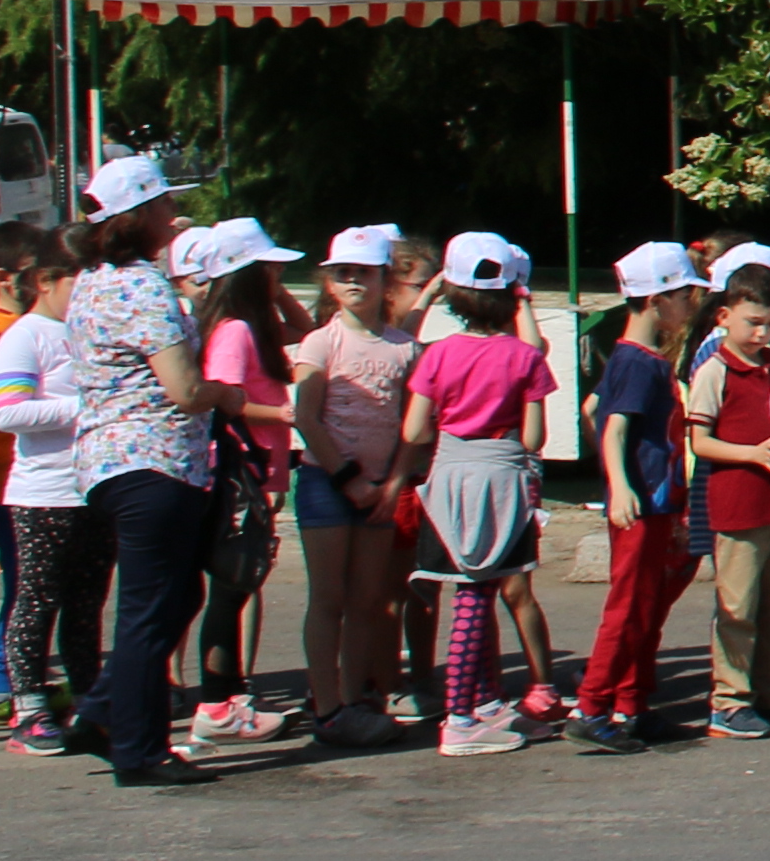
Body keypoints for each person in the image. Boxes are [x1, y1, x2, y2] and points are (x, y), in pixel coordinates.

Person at [58, 160, 216, 784]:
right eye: (163, 204)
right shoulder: (143, 286)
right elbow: (182, 388)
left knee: (175, 596)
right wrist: (224, 394)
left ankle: (102, 713)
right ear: (143, 214)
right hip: (152, 459)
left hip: (108, 460)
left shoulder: (91, 282)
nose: (171, 214)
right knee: (150, 611)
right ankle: (140, 750)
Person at [403, 235, 559, 759]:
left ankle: (485, 703)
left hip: (447, 478)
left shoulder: (438, 354)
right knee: (478, 597)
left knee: (467, 592)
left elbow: (414, 430)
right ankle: (461, 718)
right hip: (502, 480)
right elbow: (534, 438)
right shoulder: (523, 358)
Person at [176, 218, 309, 742]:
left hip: (258, 473)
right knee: (230, 589)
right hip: (241, 474)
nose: (279, 273)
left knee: (237, 586)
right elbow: (226, 400)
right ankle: (216, 703)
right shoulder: (234, 330)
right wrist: (284, 416)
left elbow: (307, 328)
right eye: (269, 265)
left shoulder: (254, 322)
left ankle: (227, 698)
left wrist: (273, 290)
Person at [290, 226, 423, 746]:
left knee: (368, 598)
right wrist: (350, 481)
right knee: (328, 597)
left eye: (363, 272)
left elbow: (414, 423)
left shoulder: (404, 348)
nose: (352, 280)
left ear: (384, 280)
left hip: (380, 489)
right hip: (327, 483)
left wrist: (390, 485)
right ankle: (326, 707)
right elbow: (307, 416)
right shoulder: (320, 342)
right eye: (342, 272)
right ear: (327, 282)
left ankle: (354, 697)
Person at [574, 244, 707, 749]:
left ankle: (632, 703)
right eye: (684, 294)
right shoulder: (636, 362)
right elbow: (612, 428)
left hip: (657, 502)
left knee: (647, 605)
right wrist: (621, 485)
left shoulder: (641, 359)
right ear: (655, 300)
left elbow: (592, 410)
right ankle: (592, 704)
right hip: (642, 504)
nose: (691, 303)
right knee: (627, 606)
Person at [680, 261, 770, 735]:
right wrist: (751, 454)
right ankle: (729, 699)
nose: (762, 333)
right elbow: (700, 442)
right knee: (736, 607)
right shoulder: (715, 370)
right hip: (738, 505)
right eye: (753, 322)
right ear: (724, 316)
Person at [0, 245, 105, 755]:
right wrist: (88, 406)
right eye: (79, 285)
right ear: (46, 281)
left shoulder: (89, 332)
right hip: (43, 493)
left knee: (87, 605)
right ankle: (29, 707)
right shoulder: (23, 337)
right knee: (37, 601)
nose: (88, 298)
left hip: (96, 490)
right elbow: (7, 413)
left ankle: (89, 702)